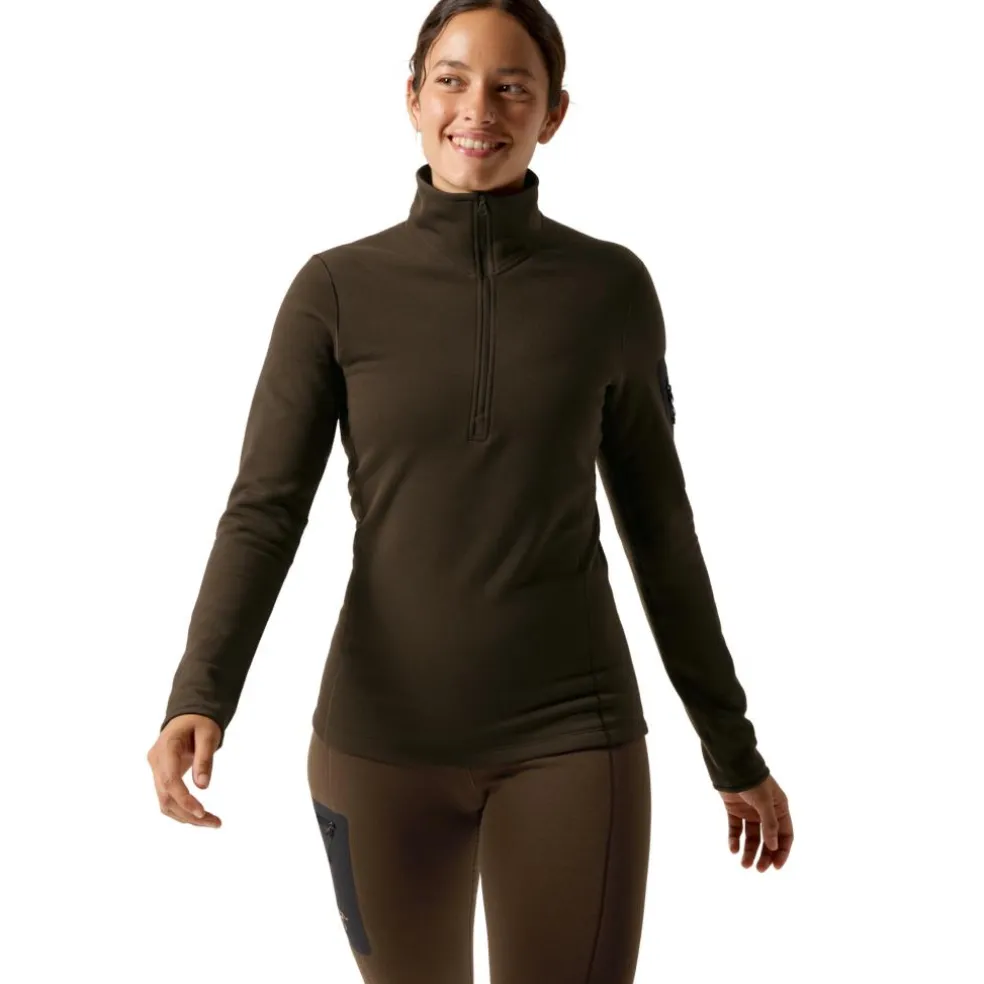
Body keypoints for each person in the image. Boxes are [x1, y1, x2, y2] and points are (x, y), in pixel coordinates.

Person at [147, 1, 794, 980]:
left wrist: (730, 745)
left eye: (512, 86)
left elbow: (660, 530)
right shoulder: (335, 291)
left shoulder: (610, 289)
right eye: (451, 80)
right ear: (412, 98)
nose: (478, 108)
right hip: (376, 745)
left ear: (554, 113)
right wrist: (201, 691)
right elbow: (265, 511)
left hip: (572, 739)